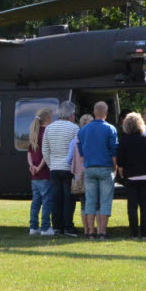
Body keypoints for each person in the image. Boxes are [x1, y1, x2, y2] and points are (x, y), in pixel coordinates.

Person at [77, 101, 119, 240]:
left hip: (89, 168)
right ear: (106, 114)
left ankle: (90, 232)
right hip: (106, 168)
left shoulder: (83, 130)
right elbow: (114, 150)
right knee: (105, 201)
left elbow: (81, 152)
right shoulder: (110, 129)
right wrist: (115, 167)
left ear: (94, 113)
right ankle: (102, 232)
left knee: (90, 201)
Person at [42, 101, 80, 237]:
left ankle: (57, 227)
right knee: (69, 199)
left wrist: (51, 164)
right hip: (68, 168)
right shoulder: (74, 128)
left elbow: (45, 150)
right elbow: (77, 149)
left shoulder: (49, 128)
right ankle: (68, 227)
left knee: (55, 199)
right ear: (71, 115)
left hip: (54, 168)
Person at [117, 112, 146, 239]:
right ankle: (144, 233)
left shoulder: (124, 140)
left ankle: (134, 233)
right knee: (145, 206)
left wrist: (122, 173)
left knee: (132, 206)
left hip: (131, 177)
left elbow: (120, 161)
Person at [66, 114, 94, 237]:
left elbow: (68, 159)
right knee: (92, 203)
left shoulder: (75, 140)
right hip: (92, 174)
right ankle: (92, 230)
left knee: (83, 204)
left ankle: (86, 230)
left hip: (79, 176)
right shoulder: (95, 139)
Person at [27, 108, 54, 236]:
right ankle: (45, 228)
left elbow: (29, 153)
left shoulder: (34, 133)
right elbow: (46, 153)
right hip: (44, 173)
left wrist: (32, 165)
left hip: (34, 175)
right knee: (47, 201)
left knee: (35, 202)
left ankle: (33, 227)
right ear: (48, 119)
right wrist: (40, 167)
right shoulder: (47, 132)